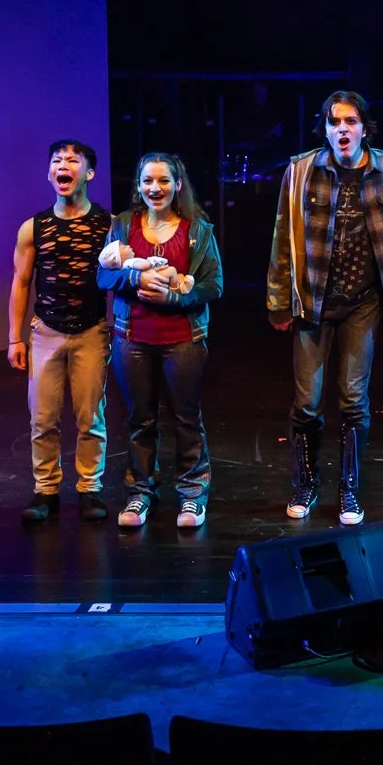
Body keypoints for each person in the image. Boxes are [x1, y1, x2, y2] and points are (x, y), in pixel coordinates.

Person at [265, 91, 383, 525]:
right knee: (307, 402)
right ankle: (306, 484)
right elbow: (283, 237)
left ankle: (349, 489)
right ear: (325, 129)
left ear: (364, 128)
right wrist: (278, 300)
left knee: (354, 400)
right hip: (313, 301)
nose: (342, 129)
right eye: (334, 122)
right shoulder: (302, 170)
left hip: (363, 302)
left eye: (350, 121)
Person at [100, 152, 223, 529]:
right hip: (132, 338)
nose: (155, 188)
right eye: (148, 181)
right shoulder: (123, 225)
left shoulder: (197, 228)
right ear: (138, 186)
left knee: (186, 418)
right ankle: (140, 491)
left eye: (164, 180)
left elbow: (214, 285)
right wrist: (134, 278)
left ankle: (192, 494)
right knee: (140, 419)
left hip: (183, 340)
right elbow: (103, 276)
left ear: (178, 185)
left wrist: (176, 298)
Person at [8, 140, 112, 525]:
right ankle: (45, 490)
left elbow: (119, 278)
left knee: (90, 416)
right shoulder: (33, 227)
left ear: (89, 173)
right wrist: (14, 338)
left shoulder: (107, 225)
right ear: (49, 172)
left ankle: (89, 489)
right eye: (56, 160)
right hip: (46, 331)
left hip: (91, 330)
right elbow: (21, 282)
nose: (62, 165)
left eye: (72, 160)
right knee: (42, 418)